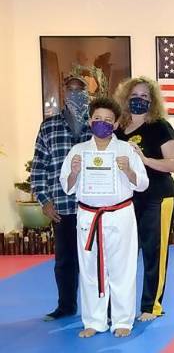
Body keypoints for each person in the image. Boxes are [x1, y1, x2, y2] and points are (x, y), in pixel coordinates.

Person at [59, 97, 148, 338]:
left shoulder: (126, 150)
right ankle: (94, 321)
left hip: (119, 214)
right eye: (97, 118)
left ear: (116, 124)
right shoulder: (78, 151)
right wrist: (75, 172)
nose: (102, 123)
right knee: (89, 270)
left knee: (122, 269)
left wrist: (128, 170)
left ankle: (122, 320)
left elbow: (142, 184)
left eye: (108, 120)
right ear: (89, 121)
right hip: (88, 216)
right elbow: (67, 186)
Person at [114, 77, 174, 322]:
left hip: (158, 197)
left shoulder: (160, 127)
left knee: (154, 252)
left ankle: (152, 306)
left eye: (144, 96)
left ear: (152, 101)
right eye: (134, 95)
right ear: (125, 97)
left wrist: (145, 160)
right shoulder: (118, 129)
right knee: (126, 253)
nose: (138, 100)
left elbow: (173, 164)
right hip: (126, 198)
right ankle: (121, 304)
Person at [31, 74, 92, 321]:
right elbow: (39, 167)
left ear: (88, 93)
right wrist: (44, 200)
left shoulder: (97, 125)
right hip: (62, 207)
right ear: (63, 92)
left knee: (95, 261)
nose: (76, 93)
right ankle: (66, 306)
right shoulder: (49, 126)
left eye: (81, 89)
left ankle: (102, 309)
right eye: (71, 89)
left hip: (94, 207)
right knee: (65, 262)